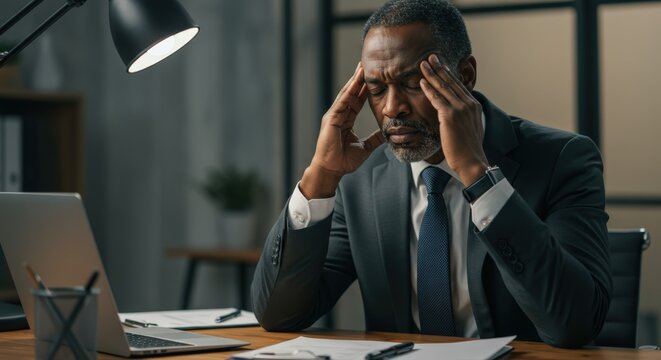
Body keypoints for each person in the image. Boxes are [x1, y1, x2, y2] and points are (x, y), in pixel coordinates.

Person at [251, 0, 611, 348]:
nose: (392, 107)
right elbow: (279, 315)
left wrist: (478, 174)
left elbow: (573, 324)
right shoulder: (361, 180)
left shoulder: (562, 159)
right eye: (376, 90)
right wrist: (321, 176)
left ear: (465, 76)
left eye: (411, 84)